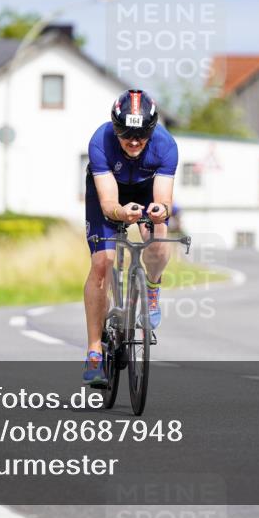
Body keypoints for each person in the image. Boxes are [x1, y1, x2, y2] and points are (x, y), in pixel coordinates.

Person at [82, 89, 178, 386]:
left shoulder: (166, 146)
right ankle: (95, 351)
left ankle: (151, 287)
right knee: (103, 263)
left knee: (158, 243)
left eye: (141, 135)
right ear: (115, 127)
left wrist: (160, 212)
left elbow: (164, 200)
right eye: (126, 134)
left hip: (146, 191)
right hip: (110, 195)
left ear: (152, 130)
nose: (134, 142)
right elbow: (109, 203)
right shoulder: (100, 141)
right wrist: (122, 214)